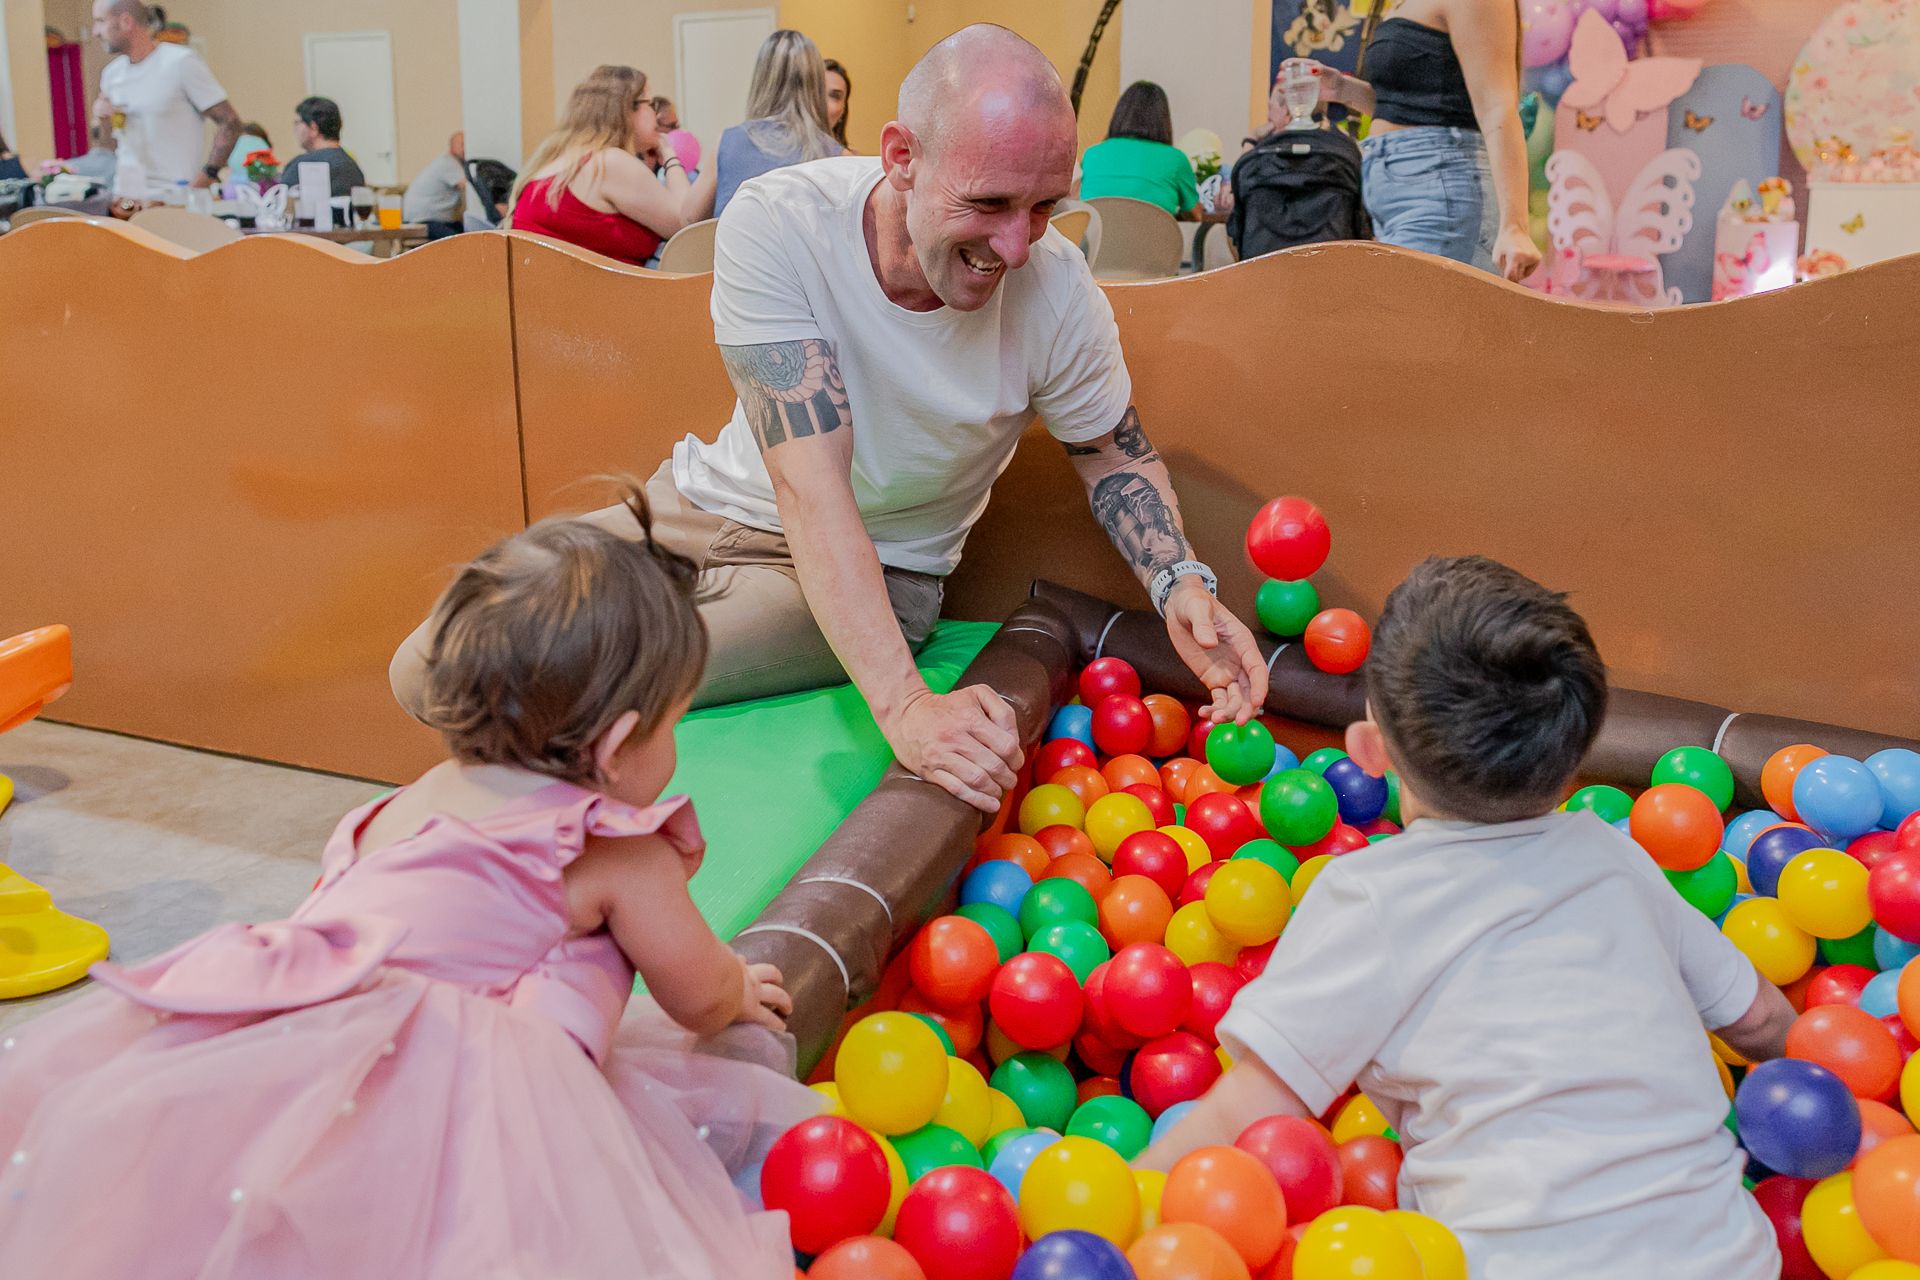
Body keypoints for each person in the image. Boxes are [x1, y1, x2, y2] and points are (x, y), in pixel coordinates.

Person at [390, 25, 1268, 815]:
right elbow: (809, 484)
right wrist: (907, 708)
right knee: (435, 663)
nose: (1016, 244)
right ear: (901, 156)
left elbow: (1113, 455)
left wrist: (1180, 583)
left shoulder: (1058, 289)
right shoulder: (782, 222)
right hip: (703, 509)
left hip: (878, 569)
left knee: (534, 683)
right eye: (989, 203)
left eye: (1043, 207)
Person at [0, 491, 819, 1278]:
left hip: (309, 1051)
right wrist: (737, 985)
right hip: (462, 1092)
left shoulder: (406, 802)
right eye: (674, 725)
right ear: (617, 745)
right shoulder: (607, 846)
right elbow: (698, 993)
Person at [1140, 555, 1790, 1280]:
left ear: (1368, 752)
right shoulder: (1618, 857)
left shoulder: (1371, 897)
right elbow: (1762, 1019)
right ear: (1573, 769)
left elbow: (1247, 1114)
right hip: (1730, 1261)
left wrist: (1123, 1210)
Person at [1284, 0, 1541, 281]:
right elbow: (1412, 108)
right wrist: (1342, 89)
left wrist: (1515, 226)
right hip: (1403, 193)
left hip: (1443, 189)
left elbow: (1497, 106)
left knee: (1421, 306)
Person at [510, 65, 693, 267]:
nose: (655, 115)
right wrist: (669, 156)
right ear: (627, 110)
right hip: (592, 287)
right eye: (649, 104)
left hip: (551, 284)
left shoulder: (554, 162)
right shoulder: (608, 163)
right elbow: (687, 225)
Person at [683, 29, 841, 222]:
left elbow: (688, 218)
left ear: (762, 80)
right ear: (816, 84)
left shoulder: (729, 141)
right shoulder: (838, 157)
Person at [91, 0, 241, 194]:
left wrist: (208, 175)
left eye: (100, 21)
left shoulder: (180, 62)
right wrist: (103, 121)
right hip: (127, 194)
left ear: (126, 22)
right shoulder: (111, 74)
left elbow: (230, 122)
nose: (95, 32)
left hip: (174, 194)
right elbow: (109, 147)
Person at [1078, 81, 1199, 218]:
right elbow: (1196, 215)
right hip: (1155, 232)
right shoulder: (1176, 160)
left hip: (1100, 232)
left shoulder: (1091, 154)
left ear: (1120, 115)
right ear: (1163, 119)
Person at [278, 96, 365, 197]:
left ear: (313, 128)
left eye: (297, 123)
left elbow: (283, 201)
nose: (295, 129)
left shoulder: (301, 166)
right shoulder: (353, 168)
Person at [404, 130, 468, 240]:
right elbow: (469, 188)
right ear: (452, 146)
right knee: (459, 242)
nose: (465, 149)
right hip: (424, 221)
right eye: (462, 145)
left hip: (430, 218)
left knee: (467, 234)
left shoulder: (448, 161)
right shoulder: (448, 163)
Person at [824, 58, 853, 151]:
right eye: (817, 92)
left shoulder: (849, 158)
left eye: (834, 96)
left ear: (843, 111)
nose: (823, 102)